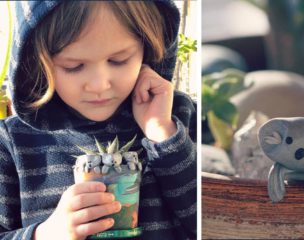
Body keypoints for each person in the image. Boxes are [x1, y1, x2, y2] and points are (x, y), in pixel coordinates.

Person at [0, 1, 196, 240]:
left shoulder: (176, 119)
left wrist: (162, 134)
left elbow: (211, 224)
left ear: (148, 47)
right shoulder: (12, 142)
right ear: (35, 62)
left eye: (119, 60)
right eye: (74, 66)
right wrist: (43, 235)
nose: (99, 85)